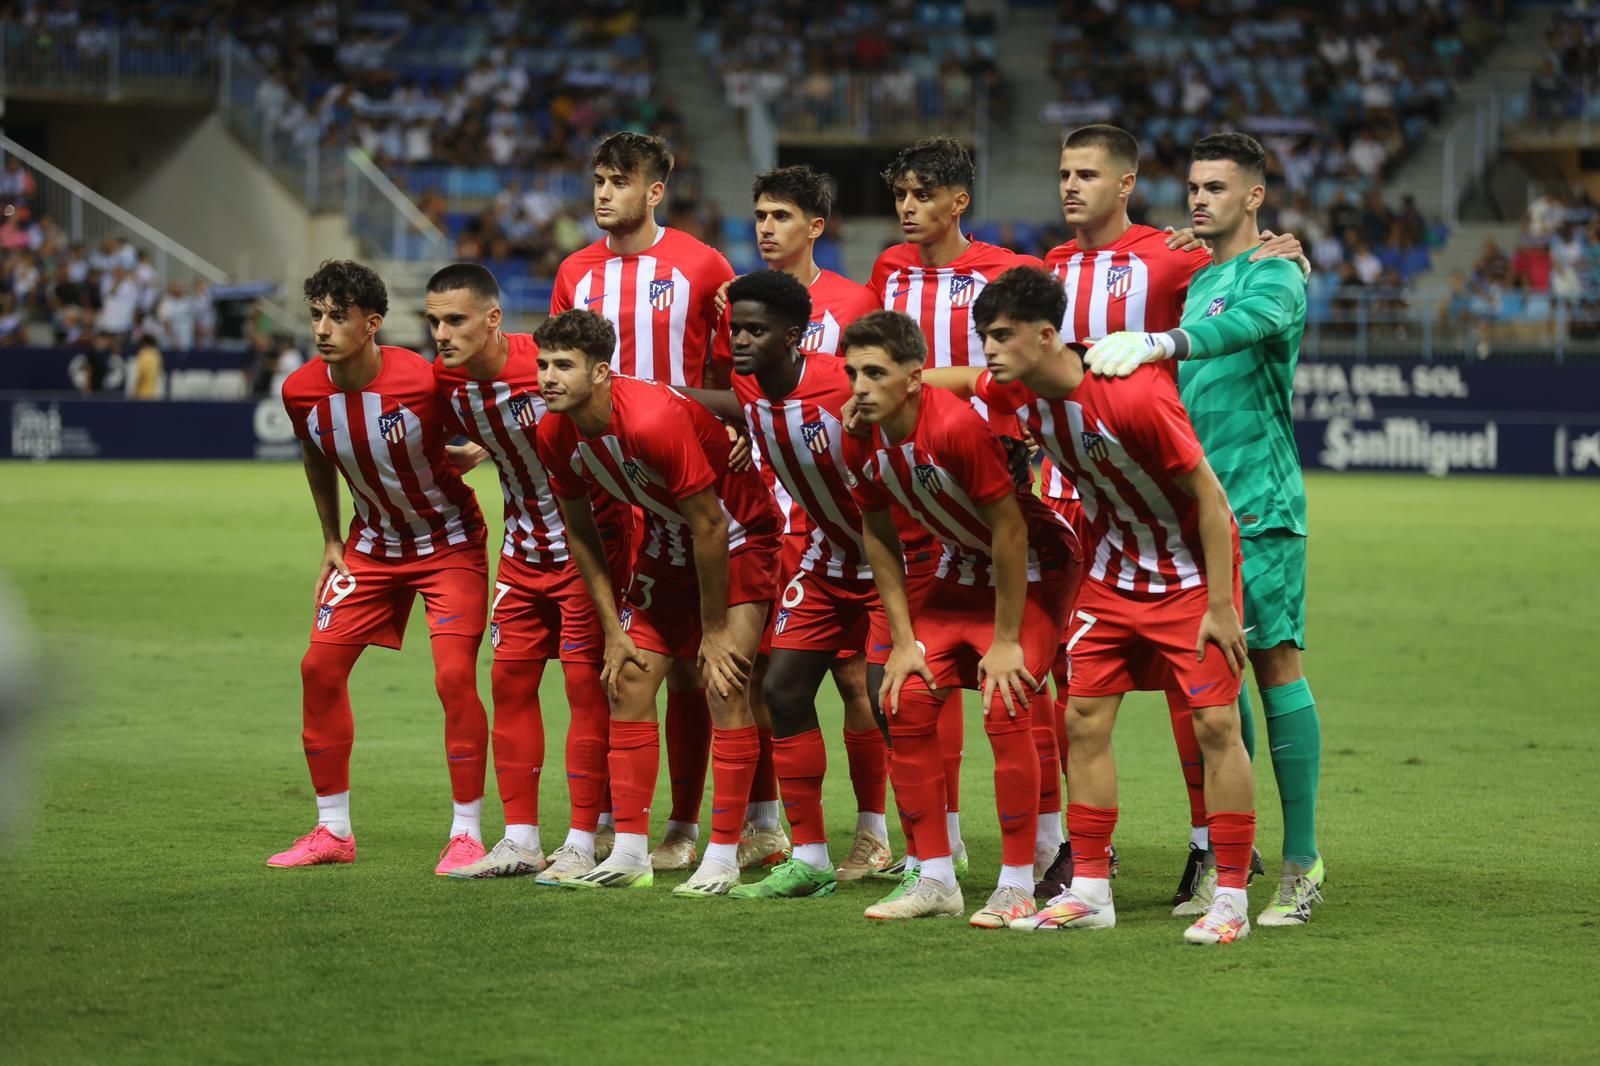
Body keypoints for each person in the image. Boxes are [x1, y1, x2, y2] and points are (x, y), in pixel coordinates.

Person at [933, 264, 1255, 944]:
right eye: (984, 336)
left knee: (1216, 728)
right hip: (1109, 577)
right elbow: (960, 382)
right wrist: (889, 387)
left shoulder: (1133, 395)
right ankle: (1091, 890)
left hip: (1189, 578)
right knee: (1081, 720)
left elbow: (1210, 498)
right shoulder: (1017, 388)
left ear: (1048, 336)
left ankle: (1229, 897)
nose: (988, 350)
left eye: (1001, 336)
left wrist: (1222, 606)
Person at [1036, 124, 1299, 902]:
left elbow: (1238, 267)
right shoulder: (1049, 267)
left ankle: (1212, 848)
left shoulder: (1171, 255)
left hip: (1165, 492)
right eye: (1063, 173)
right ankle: (1084, 856)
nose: (1071, 186)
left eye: (1088, 173)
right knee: (1072, 683)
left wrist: (1283, 247)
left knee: (1200, 685)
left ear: (1125, 184)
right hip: (1080, 497)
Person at [533, 309, 783, 897]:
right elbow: (581, 534)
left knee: (725, 687)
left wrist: (715, 629)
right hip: (667, 551)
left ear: (601, 373)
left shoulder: (650, 419)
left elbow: (712, 526)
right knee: (628, 681)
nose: (547, 377)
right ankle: (629, 852)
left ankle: (722, 854)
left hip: (739, 540)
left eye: (563, 365)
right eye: (543, 364)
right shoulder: (553, 432)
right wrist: (612, 628)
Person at [841, 309, 1078, 927]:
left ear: (915, 378)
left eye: (874, 373)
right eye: (852, 373)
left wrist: (1005, 642)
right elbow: (879, 536)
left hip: (1034, 573)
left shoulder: (953, 430)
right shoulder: (857, 433)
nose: (859, 387)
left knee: (1005, 702)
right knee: (906, 699)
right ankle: (936, 879)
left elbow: (1010, 532)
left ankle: (1017, 882)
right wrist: (902, 640)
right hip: (957, 576)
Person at [550, 132, 740, 868]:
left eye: (619, 181)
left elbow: (732, 369)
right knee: (610, 659)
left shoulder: (702, 265)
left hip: (684, 477)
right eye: (597, 179)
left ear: (654, 191)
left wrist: (736, 433)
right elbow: (563, 365)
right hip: (608, 490)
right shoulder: (575, 271)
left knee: (699, 667)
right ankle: (596, 823)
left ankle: (689, 827)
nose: (602, 193)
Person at [269, 259, 492, 876]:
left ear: (372, 324)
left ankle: (467, 834)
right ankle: (332, 830)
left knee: (452, 678)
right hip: (369, 548)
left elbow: (490, 415)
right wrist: (330, 537)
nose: (323, 328)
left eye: (338, 317)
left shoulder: (424, 380)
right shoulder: (300, 391)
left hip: (448, 544)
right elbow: (315, 454)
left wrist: (479, 445)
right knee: (318, 667)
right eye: (316, 315)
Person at [685, 271, 894, 896]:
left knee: (890, 701)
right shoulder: (751, 386)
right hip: (825, 559)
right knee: (781, 688)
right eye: (737, 329)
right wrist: (656, 390)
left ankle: (930, 853)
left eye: (756, 331)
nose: (740, 341)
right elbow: (737, 403)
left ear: (795, 337)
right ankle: (809, 857)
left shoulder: (844, 386)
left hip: (893, 562)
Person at [866, 136, 1043, 873]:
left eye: (921, 195)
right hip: (910, 482)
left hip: (984, 479)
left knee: (1024, 677)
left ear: (957, 201)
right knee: (911, 673)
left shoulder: (1004, 271)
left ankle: (1050, 841)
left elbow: (1018, 369)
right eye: (900, 195)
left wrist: (928, 383)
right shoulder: (888, 268)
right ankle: (941, 841)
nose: (907, 208)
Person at [425, 263, 634, 883]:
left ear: (493, 320)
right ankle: (519, 840)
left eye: (455, 320)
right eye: (433, 321)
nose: (441, 334)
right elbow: (511, 429)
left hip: (588, 549)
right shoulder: (447, 379)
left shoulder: (541, 365)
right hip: (521, 551)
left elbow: (606, 409)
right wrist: (487, 449)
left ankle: (580, 840)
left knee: (583, 690)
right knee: (511, 685)